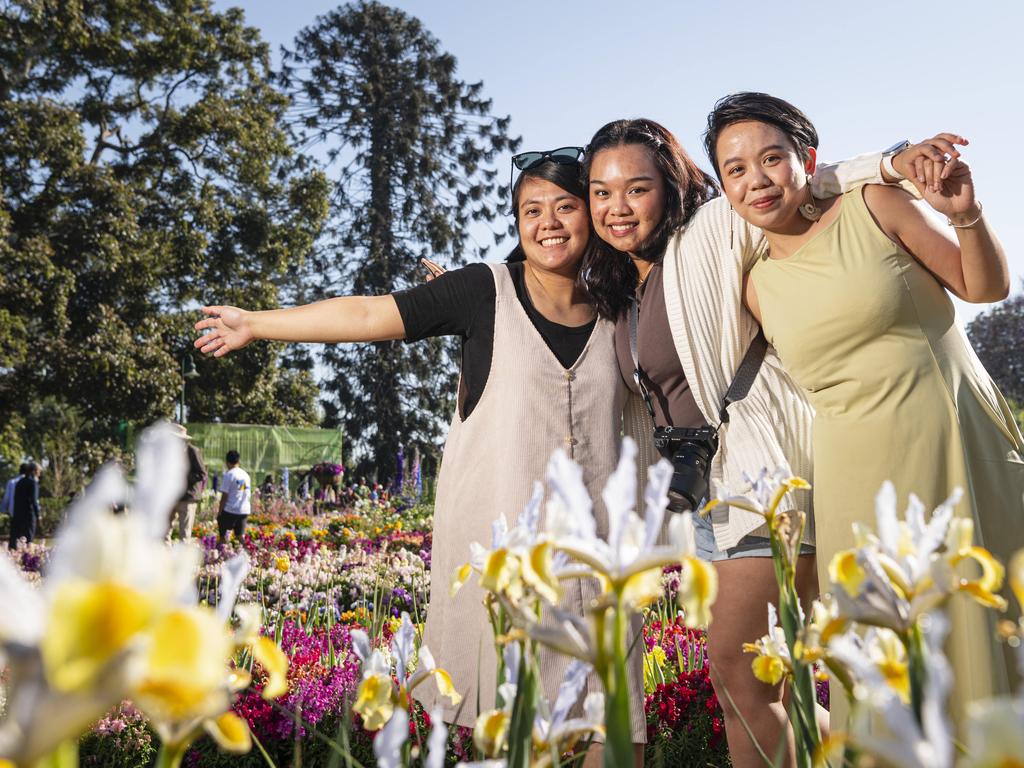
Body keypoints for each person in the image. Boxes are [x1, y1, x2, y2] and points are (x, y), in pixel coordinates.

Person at [192, 156, 649, 758]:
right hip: (503, 566)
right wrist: (256, 323)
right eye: (530, 211)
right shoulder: (483, 291)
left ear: (590, 214)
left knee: (616, 739)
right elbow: (367, 313)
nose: (549, 223)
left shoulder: (624, 308)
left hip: (599, 562)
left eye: (565, 206)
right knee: (509, 737)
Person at [580, 118, 953, 765]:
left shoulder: (709, 234)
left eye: (636, 189)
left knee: (741, 672)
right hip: (709, 493)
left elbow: (799, 183)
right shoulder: (625, 290)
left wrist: (891, 165)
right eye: (601, 192)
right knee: (757, 680)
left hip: (765, 478)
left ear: (669, 188)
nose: (617, 208)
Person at [704, 91, 1024, 727]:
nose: (756, 181)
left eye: (771, 158)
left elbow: (983, 287)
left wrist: (967, 214)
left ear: (809, 160)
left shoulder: (874, 205)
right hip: (853, 472)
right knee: (885, 653)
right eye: (735, 170)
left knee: (985, 618)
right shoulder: (752, 283)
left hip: (951, 434)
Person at [167, 423, 207, 542]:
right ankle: (166, 557)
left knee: (184, 534)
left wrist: (182, 476)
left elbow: (201, 474)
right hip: (171, 496)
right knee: (164, 532)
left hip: (188, 497)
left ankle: (181, 559)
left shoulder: (193, 451)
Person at [217, 449, 251, 544]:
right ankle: (249, 551)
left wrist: (219, 512)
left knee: (223, 532)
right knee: (239, 535)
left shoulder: (229, 475)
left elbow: (225, 495)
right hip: (244, 509)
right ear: (238, 461)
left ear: (227, 462)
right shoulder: (245, 475)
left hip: (231, 509)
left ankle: (221, 550)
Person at [9, 461, 41, 549]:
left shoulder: (19, 482)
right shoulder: (33, 483)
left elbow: (16, 499)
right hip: (29, 516)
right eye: (39, 471)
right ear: (34, 471)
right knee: (29, 540)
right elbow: (34, 501)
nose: (39, 474)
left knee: (18, 541)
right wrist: (38, 515)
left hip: (18, 515)